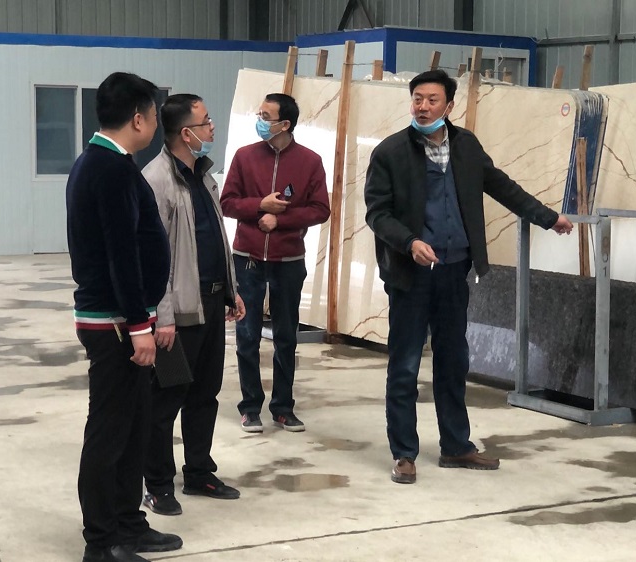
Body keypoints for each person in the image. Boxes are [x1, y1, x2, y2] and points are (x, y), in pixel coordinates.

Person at [364, 69, 574, 485]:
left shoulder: (466, 146)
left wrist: (548, 218)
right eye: (417, 99)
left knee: (453, 360)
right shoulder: (390, 152)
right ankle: (404, 454)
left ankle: (456, 445)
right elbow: (377, 213)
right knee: (405, 365)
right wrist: (409, 242)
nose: (423, 107)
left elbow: (501, 186)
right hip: (410, 275)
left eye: (432, 100)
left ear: (449, 105)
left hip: (455, 269)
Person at [66, 72, 182, 562]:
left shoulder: (110, 163)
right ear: (138, 119)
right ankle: (102, 541)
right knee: (110, 433)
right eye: (154, 115)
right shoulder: (107, 169)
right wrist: (138, 326)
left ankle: (128, 524)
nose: (155, 124)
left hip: (126, 319)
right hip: (114, 324)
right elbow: (121, 255)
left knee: (134, 429)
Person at [141, 94, 246, 516]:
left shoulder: (204, 176)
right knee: (167, 399)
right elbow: (155, 258)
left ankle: (199, 472)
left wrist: (230, 290)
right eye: (206, 122)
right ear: (186, 133)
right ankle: (157, 484)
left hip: (210, 304)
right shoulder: (157, 180)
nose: (212, 127)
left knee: (205, 394)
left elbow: (213, 237)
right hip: (179, 313)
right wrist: (163, 316)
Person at [220, 93, 330, 433]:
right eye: (259, 114)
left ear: (285, 124)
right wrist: (260, 206)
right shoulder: (244, 156)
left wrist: (281, 220)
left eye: (265, 116)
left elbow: (320, 209)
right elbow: (227, 202)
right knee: (247, 334)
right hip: (247, 259)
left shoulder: (310, 161)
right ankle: (250, 406)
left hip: (289, 260)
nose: (260, 120)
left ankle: (283, 407)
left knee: (285, 335)